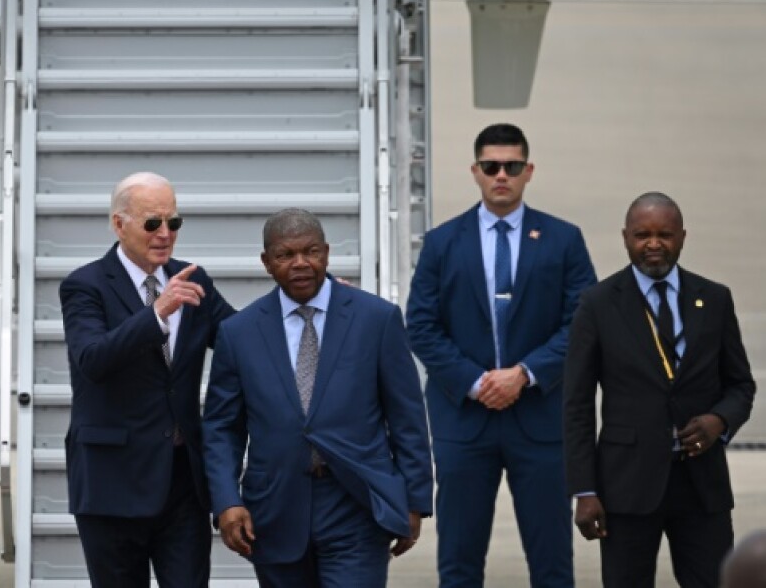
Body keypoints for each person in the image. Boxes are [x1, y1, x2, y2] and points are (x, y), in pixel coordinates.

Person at [406, 123, 596, 587]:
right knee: (458, 562)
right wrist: (477, 382)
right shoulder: (441, 243)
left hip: (541, 420)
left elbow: (584, 322)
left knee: (552, 563)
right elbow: (422, 327)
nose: (501, 175)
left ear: (528, 170)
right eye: (491, 166)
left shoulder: (563, 239)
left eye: (512, 166)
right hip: (463, 423)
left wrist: (526, 374)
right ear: (475, 171)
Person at [202, 208, 433, 587]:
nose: (301, 264)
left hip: (357, 504)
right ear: (266, 262)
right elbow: (222, 429)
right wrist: (227, 501)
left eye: (311, 252)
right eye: (285, 255)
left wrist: (414, 500)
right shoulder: (238, 333)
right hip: (274, 511)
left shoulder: (376, 319)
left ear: (327, 253)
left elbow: (407, 417)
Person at [564, 192, 756, 588]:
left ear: (683, 236)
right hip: (625, 488)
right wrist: (584, 489)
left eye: (665, 234)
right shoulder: (597, 304)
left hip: (702, 487)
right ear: (625, 238)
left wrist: (719, 420)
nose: (654, 244)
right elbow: (577, 405)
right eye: (642, 235)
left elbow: (740, 385)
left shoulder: (715, 299)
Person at [60, 171, 235, 587]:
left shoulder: (191, 279)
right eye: (152, 223)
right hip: (112, 481)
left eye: (173, 223)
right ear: (119, 224)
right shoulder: (85, 285)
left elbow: (240, 338)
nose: (165, 234)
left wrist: (309, 302)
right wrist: (157, 313)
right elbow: (92, 359)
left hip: (181, 482)